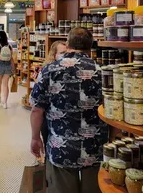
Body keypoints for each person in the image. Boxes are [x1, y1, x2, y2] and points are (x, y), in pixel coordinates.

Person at [30, 27, 108, 193]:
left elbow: (37, 109)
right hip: (94, 148)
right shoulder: (102, 71)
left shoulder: (49, 70)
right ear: (90, 46)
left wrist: (35, 138)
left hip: (61, 148)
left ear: (67, 44)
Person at [40, 40, 66, 152]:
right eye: (62, 53)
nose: (65, 56)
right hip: (49, 117)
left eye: (67, 52)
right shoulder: (47, 71)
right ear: (54, 55)